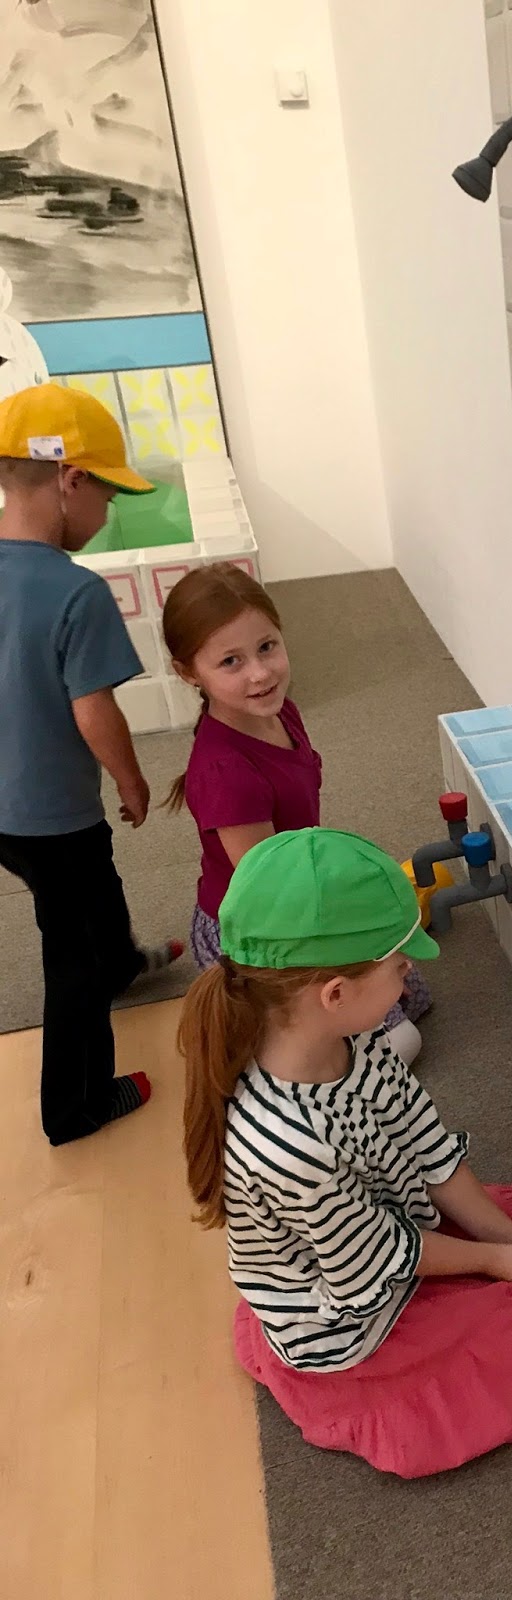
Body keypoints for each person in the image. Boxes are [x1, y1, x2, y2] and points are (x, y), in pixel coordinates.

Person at [178, 827, 512, 1476]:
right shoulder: (287, 1146)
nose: (410, 973)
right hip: (350, 1317)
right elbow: (373, 1261)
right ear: (335, 993)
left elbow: (422, 1140)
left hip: (389, 1226)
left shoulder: (352, 1039)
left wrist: (501, 1232)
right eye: (398, 966)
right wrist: (490, 1257)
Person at [0, 383, 182, 1145]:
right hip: (49, 814)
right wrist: (131, 780)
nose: (107, 513)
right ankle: (73, 1106)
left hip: (7, 814)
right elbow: (93, 711)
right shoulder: (76, 592)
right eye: (106, 494)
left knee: (94, 888)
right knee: (68, 947)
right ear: (70, 480)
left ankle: (122, 963)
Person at [159, 562, 431, 1057]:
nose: (260, 673)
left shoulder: (280, 710)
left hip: (299, 895)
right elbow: (273, 895)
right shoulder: (225, 772)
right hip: (258, 937)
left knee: (407, 992)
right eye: (231, 661)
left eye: (267, 647)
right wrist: (347, 947)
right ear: (188, 672)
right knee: (399, 1040)